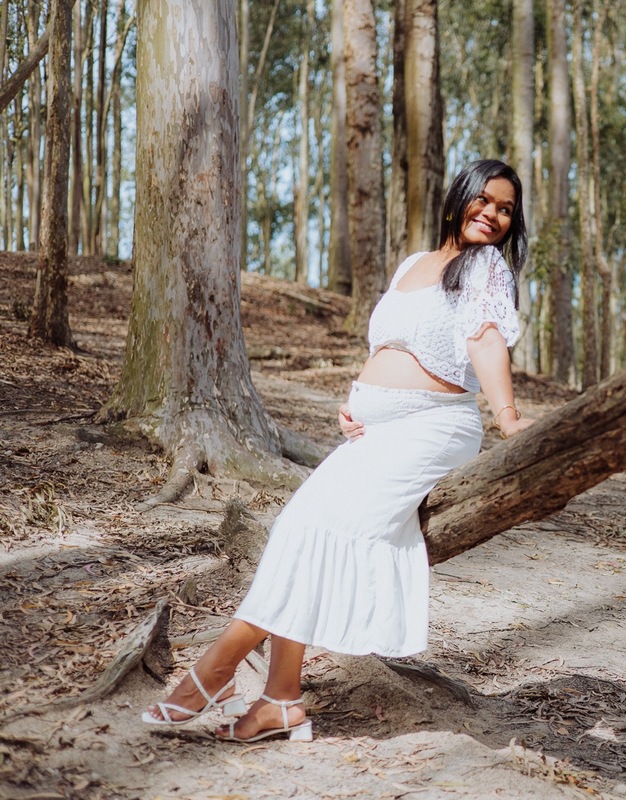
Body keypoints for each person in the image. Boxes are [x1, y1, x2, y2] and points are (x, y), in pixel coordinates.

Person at [142, 159, 533, 742]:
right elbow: (392, 345)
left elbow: (483, 340)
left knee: (318, 534)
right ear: (460, 197)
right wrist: (360, 400)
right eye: (485, 200)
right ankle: (279, 700)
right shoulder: (414, 264)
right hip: (374, 430)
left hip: (434, 428)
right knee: (298, 528)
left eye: (506, 209)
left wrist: (508, 418)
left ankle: (216, 667)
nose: (493, 215)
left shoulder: (485, 268)